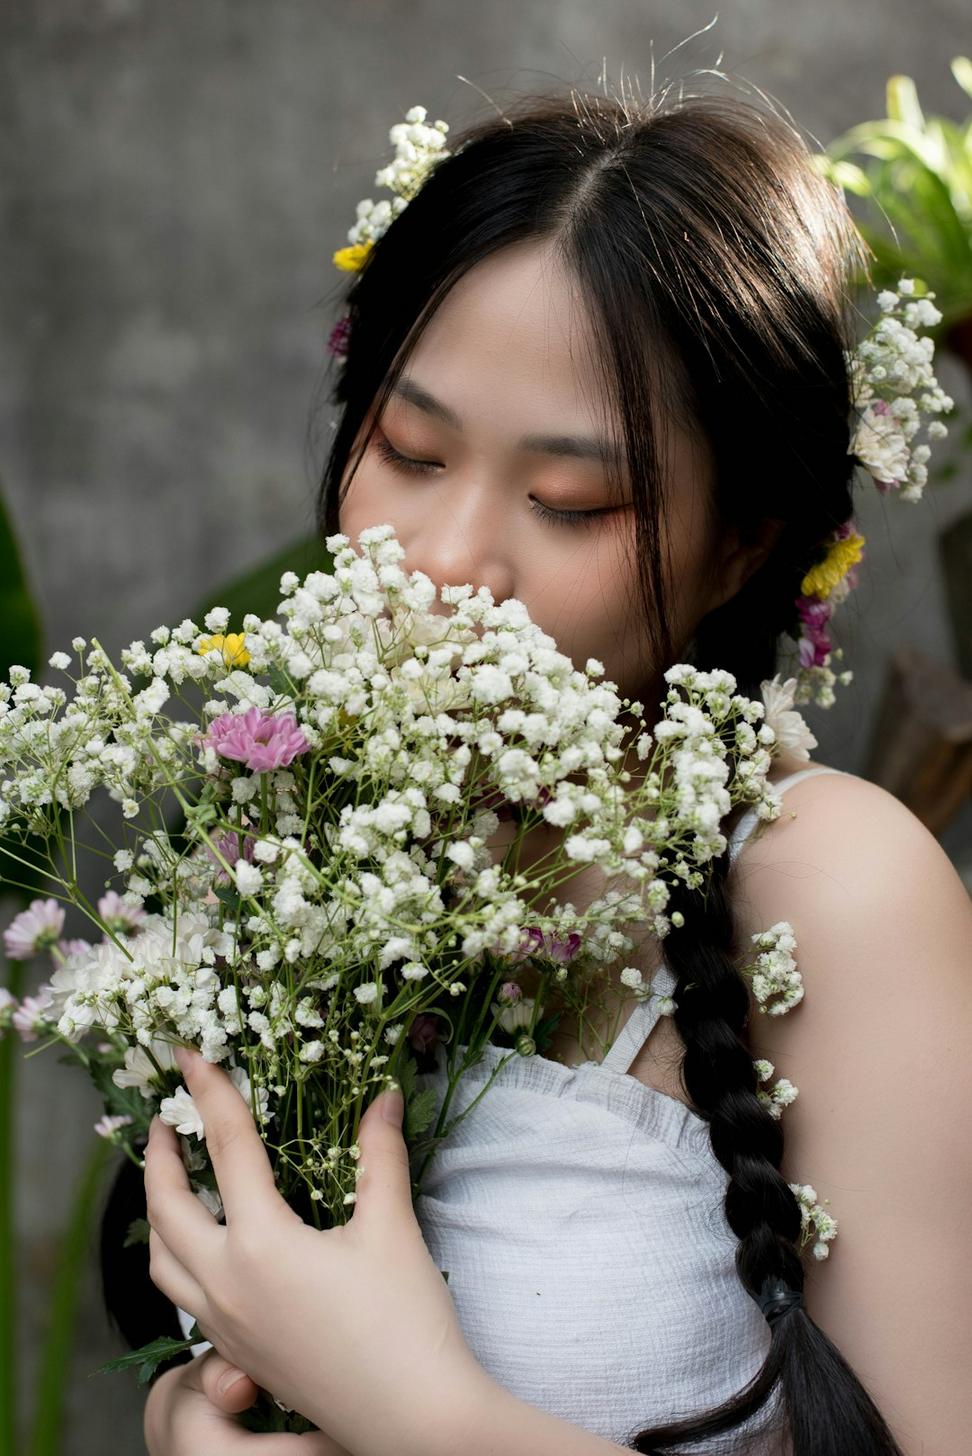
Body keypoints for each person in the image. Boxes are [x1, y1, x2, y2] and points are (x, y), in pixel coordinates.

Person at [104, 83, 972, 1455]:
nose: (446, 558)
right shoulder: (299, 843)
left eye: (572, 502)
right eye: (408, 448)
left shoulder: (833, 888)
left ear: (742, 544)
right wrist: (183, 1418)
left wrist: (416, 1410)